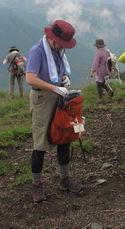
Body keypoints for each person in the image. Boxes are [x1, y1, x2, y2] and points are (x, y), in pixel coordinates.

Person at [25, 20, 82, 202]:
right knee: (40, 142)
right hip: (42, 98)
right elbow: (31, 79)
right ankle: (37, 185)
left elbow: (60, 71)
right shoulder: (37, 51)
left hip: (58, 95)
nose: (62, 47)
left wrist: (64, 80)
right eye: (62, 43)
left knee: (64, 135)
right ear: (52, 39)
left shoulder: (58, 51)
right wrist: (53, 87)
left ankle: (65, 178)